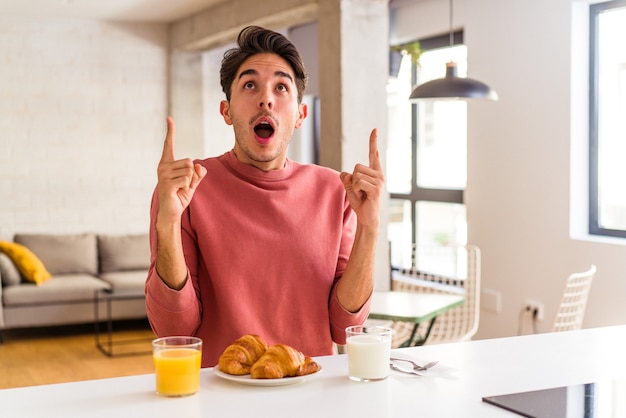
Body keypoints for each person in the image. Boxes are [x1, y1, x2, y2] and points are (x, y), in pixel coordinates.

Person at [145, 25, 384, 368]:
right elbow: (173, 330)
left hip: (311, 391)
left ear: (300, 115)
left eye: (281, 87)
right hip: (221, 393)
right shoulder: (187, 190)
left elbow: (346, 329)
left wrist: (370, 228)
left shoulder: (335, 191)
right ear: (226, 111)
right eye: (250, 84)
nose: (266, 98)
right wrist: (167, 224)